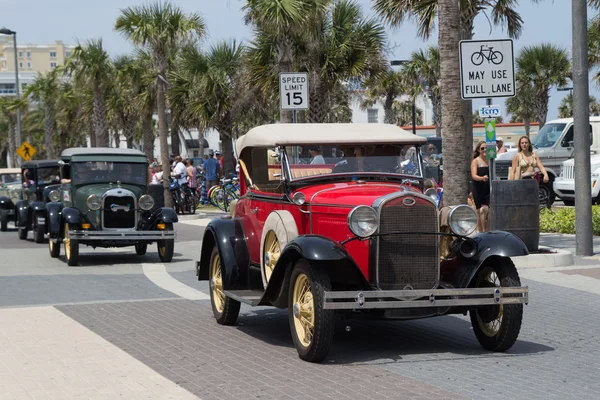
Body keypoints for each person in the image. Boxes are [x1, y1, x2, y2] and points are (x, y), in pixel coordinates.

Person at [471, 141, 490, 232]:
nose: (484, 150)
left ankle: (487, 230)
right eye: (482, 148)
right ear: (478, 150)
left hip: (488, 189)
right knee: (480, 211)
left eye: (486, 148)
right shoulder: (476, 161)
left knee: (490, 210)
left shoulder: (490, 160)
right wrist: (482, 178)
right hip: (478, 188)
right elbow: (474, 176)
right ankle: (481, 231)